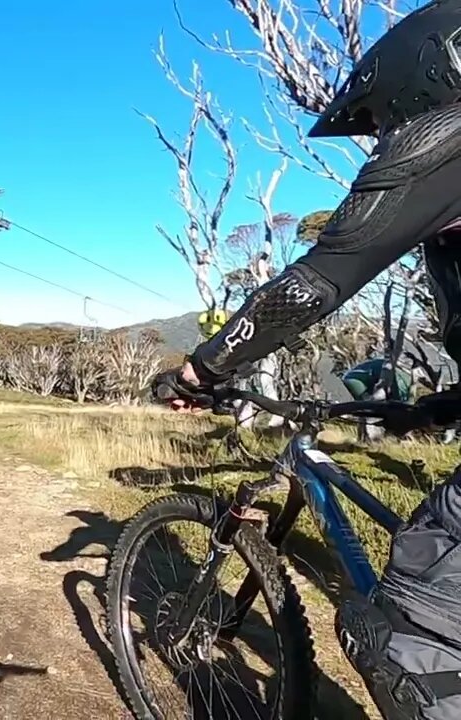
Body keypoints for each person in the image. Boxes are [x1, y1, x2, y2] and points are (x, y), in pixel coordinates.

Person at [151, 3, 461, 718]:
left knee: (411, 616)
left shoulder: (445, 138)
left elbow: (313, 282)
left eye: (382, 119)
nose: (385, 135)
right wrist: (432, 405)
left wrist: (203, 369)